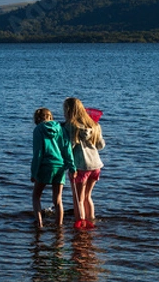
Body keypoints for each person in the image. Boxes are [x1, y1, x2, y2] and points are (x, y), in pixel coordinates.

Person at [63, 97, 105, 228]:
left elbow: (70, 146)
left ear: (68, 110)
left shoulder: (71, 125)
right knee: (87, 197)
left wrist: (69, 166)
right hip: (96, 165)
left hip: (81, 166)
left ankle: (80, 224)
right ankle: (91, 221)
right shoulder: (94, 125)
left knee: (78, 200)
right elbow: (101, 145)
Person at [31, 108, 77, 228]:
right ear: (50, 116)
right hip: (59, 165)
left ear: (37, 119)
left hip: (45, 166)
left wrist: (34, 172)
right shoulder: (61, 129)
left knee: (36, 196)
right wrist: (72, 167)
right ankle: (59, 225)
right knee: (57, 199)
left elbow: (38, 154)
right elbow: (67, 149)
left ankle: (40, 224)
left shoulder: (38, 130)